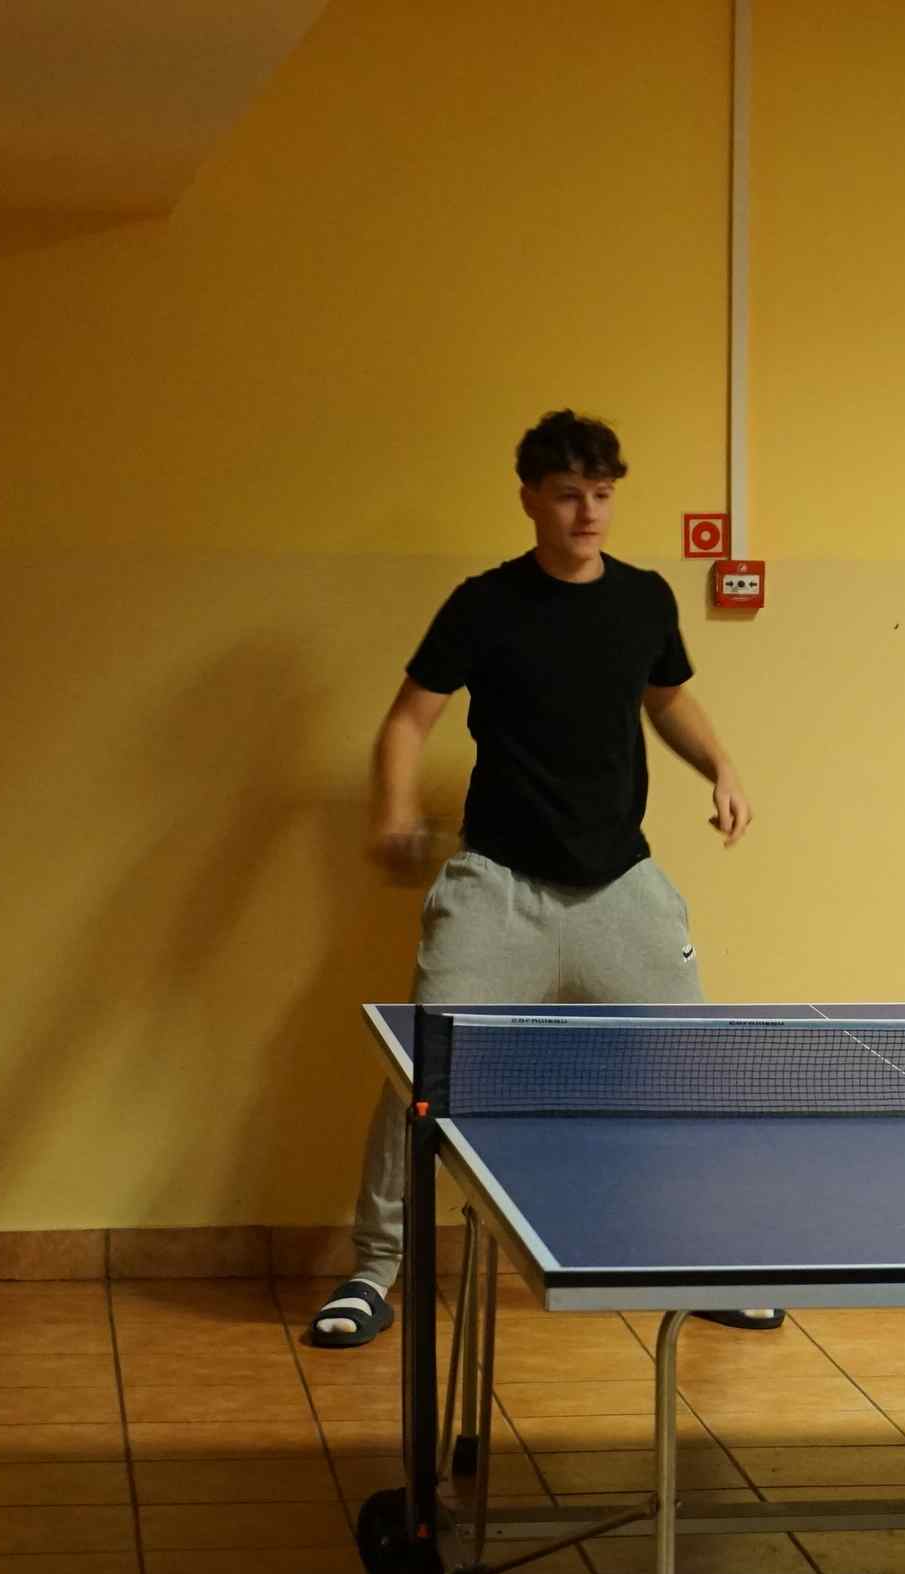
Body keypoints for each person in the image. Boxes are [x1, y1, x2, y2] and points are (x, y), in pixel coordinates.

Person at [310, 409, 777, 1346]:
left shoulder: (643, 599)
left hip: (619, 886)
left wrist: (720, 765)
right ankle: (374, 1270)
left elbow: (666, 697)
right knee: (422, 1075)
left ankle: (698, 1259)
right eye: (568, 495)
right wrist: (393, 809)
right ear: (529, 497)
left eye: (601, 494)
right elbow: (407, 720)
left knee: (687, 1069)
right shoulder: (483, 604)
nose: (587, 513)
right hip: (499, 887)